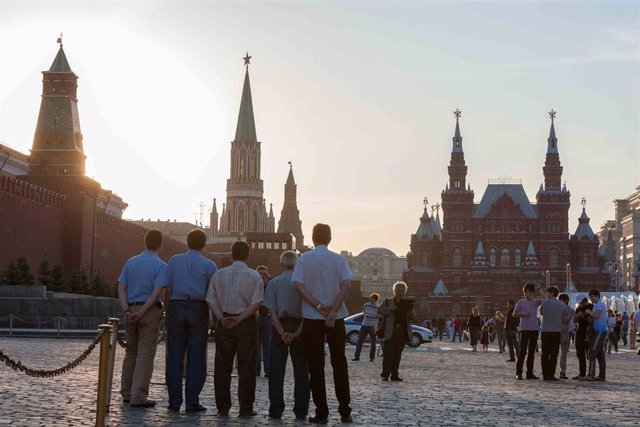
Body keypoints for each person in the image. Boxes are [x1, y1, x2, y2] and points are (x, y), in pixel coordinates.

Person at [292, 223, 354, 424]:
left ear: (312, 237)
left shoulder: (304, 259)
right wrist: (334, 311)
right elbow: (346, 285)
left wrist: (318, 306)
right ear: (330, 238)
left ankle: (321, 412)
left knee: (316, 365)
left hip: (311, 317)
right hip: (336, 318)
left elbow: (298, 285)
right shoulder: (338, 259)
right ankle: (345, 410)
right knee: (339, 363)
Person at [206, 240, 263, 417]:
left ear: (231, 254)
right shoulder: (255, 276)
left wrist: (221, 319)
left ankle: (223, 407)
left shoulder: (218, 275)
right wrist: (240, 318)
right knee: (247, 367)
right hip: (245, 324)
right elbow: (256, 303)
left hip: (224, 322)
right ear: (248, 255)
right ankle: (246, 408)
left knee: (222, 367)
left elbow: (210, 299)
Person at [165, 229, 217, 412]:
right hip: (198, 308)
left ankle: (174, 402)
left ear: (187, 242)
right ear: (204, 244)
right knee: (196, 357)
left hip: (177, 306)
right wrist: (215, 318)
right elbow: (212, 295)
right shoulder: (209, 265)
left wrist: (168, 311)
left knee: (174, 357)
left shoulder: (173, 261)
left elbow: (168, 289)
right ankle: (192, 401)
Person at [117, 230, 167, 408]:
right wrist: (144, 310)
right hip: (149, 312)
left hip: (130, 310)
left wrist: (127, 310)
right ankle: (138, 396)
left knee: (130, 353)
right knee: (145, 354)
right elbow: (157, 292)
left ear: (145, 242)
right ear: (160, 244)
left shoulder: (131, 262)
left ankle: (126, 393)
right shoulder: (161, 266)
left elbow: (122, 287)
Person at [263, 250, 309, 421]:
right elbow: (308, 311)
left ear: (281, 264)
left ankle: (275, 409)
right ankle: (301, 410)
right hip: (299, 326)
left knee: (276, 372)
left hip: (279, 326)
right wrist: (297, 332)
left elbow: (271, 310)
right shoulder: (303, 284)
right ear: (297, 264)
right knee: (302, 372)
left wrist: (281, 332)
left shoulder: (274, 283)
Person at [378, 281, 415, 381]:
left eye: (403, 290)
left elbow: (413, 317)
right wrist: (390, 309)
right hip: (390, 331)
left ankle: (394, 374)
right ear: (394, 291)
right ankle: (385, 374)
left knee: (397, 354)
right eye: (399, 290)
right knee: (388, 354)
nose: (400, 292)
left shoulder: (407, 303)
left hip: (402, 332)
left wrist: (411, 313)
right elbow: (379, 310)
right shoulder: (387, 301)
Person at [513, 281, 545, 380]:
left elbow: (545, 299)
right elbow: (514, 314)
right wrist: (522, 313)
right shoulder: (521, 302)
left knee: (531, 352)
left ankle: (529, 373)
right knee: (522, 351)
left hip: (534, 329)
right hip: (524, 329)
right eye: (525, 292)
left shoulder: (535, 302)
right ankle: (518, 373)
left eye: (527, 292)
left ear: (532, 292)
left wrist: (539, 289)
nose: (526, 294)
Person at [539, 286, 571, 381]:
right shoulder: (562, 305)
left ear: (552, 293)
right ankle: (551, 374)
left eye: (548, 292)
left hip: (545, 331)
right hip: (556, 332)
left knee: (544, 354)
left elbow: (541, 313)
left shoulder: (544, 303)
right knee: (554, 354)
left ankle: (545, 374)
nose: (546, 294)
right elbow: (564, 319)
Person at [583, 289, 607, 381]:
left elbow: (596, 315)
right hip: (597, 331)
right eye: (590, 297)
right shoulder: (596, 305)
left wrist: (589, 312)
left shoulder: (600, 304)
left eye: (592, 297)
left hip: (600, 331)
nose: (591, 299)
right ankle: (601, 375)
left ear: (597, 296)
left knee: (592, 351)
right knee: (600, 354)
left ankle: (591, 374)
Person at [353, 293, 380, 362]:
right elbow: (364, 313)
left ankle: (371, 357)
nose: (370, 298)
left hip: (372, 326)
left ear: (375, 299)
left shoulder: (377, 307)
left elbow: (378, 316)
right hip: (364, 325)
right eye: (370, 297)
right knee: (360, 342)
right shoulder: (366, 305)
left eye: (372, 297)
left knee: (373, 343)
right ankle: (356, 357)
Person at [256, 265, 272, 377]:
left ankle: (268, 369)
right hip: (256, 318)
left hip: (267, 317)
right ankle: (256, 369)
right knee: (255, 345)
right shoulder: (254, 285)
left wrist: (267, 283)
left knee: (267, 345)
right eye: (259, 274)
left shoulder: (271, 286)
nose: (262, 276)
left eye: (264, 274)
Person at [572, 297, 592, 380]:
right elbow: (574, 320)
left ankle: (590, 373)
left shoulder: (591, 307)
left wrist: (584, 316)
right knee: (580, 354)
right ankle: (582, 373)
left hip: (589, 333)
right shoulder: (579, 308)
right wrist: (578, 315)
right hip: (580, 332)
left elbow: (592, 319)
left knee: (590, 354)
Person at [557, 293, 574, 380]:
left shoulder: (570, 310)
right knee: (553, 353)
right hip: (555, 332)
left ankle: (562, 371)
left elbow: (567, 320)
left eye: (561, 301)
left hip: (564, 333)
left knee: (563, 354)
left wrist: (558, 316)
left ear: (566, 301)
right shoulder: (556, 309)